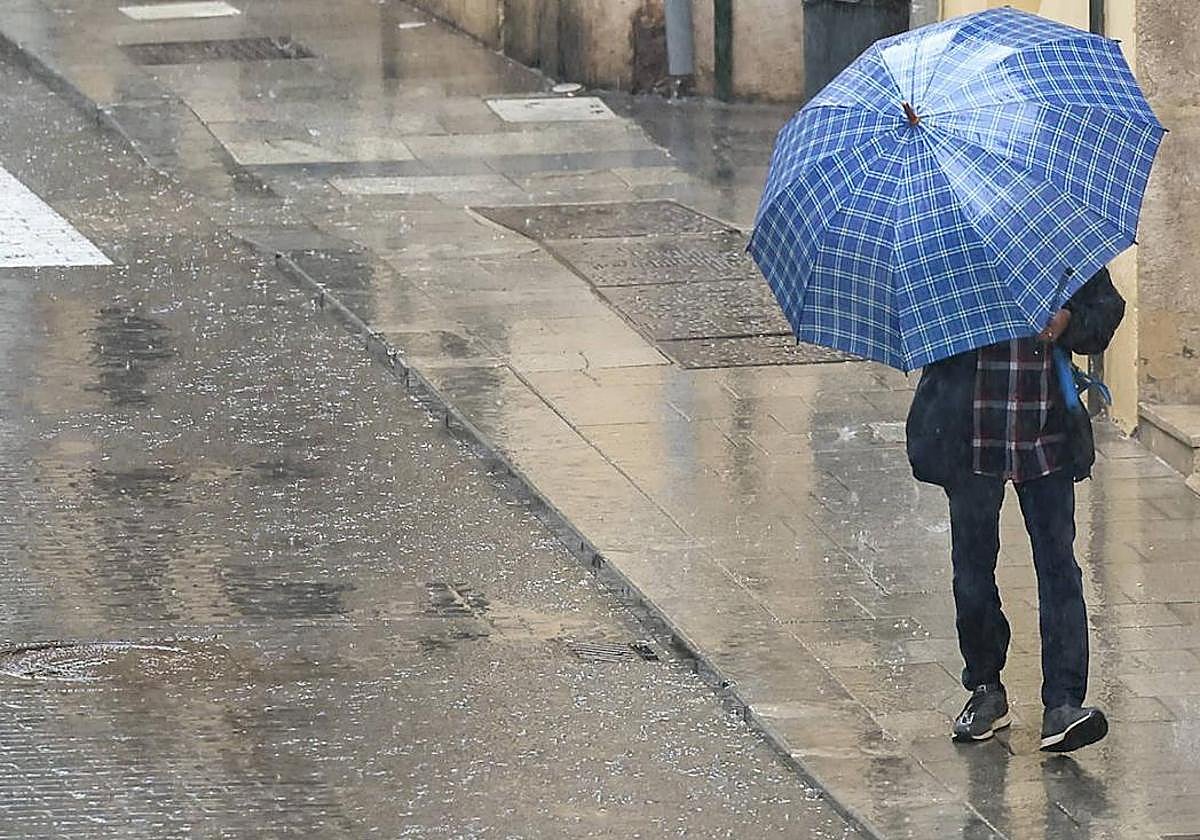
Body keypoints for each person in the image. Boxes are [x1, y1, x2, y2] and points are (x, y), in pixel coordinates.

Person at [905, 267, 1126, 752]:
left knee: (1059, 566)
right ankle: (985, 688)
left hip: (1045, 432)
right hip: (970, 434)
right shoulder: (944, 245)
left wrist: (1068, 321)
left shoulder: (1055, 239)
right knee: (972, 569)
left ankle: (1064, 702)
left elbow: (1107, 309)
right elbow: (917, 330)